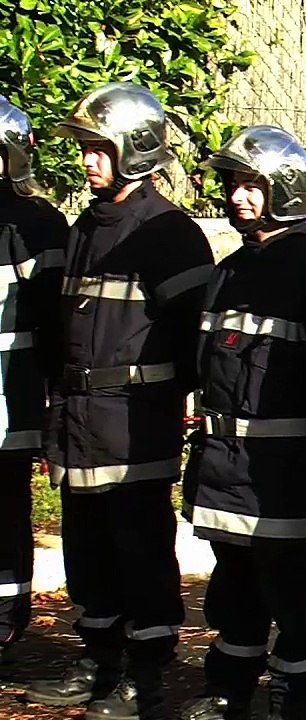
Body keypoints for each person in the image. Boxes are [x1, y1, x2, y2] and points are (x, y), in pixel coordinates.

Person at [24, 81, 214, 720]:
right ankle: (99, 661)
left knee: (139, 550)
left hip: (136, 424)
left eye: (97, 149)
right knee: (87, 550)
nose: (86, 162)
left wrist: (173, 406)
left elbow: (195, 338)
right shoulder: (87, 225)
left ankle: (145, 676)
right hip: (77, 420)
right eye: (83, 149)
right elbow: (61, 331)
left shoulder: (169, 234)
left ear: (135, 149)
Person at [179, 125, 306, 720]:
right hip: (224, 460)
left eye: (254, 186)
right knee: (232, 584)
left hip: (285, 467)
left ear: (287, 189)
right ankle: (229, 688)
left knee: (290, 586)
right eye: (234, 185)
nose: (240, 198)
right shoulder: (229, 268)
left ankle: (292, 698)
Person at [0, 95, 69, 666]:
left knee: (3, 508)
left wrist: (51, 409)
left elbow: (56, 323)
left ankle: (5, 620)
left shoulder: (39, 225)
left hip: (12, 398)